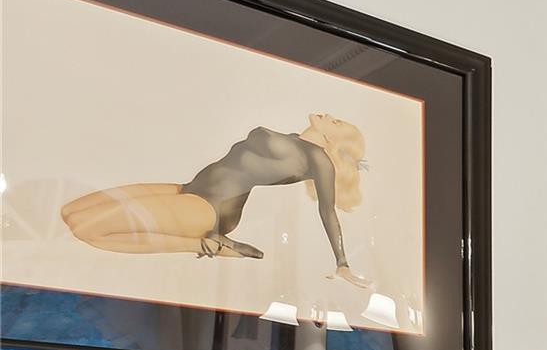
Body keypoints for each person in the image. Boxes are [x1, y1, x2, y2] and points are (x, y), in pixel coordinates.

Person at [60, 113, 369, 286]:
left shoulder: (319, 161)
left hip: (212, 208)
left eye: (336, 122)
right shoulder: (293, 138)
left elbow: (327, 212)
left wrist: (342, 263)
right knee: (70, 212)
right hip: (188, 188)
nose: (330, 116)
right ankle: (212, 242)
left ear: (332, 139)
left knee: (88, 229)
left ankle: (204, 244)